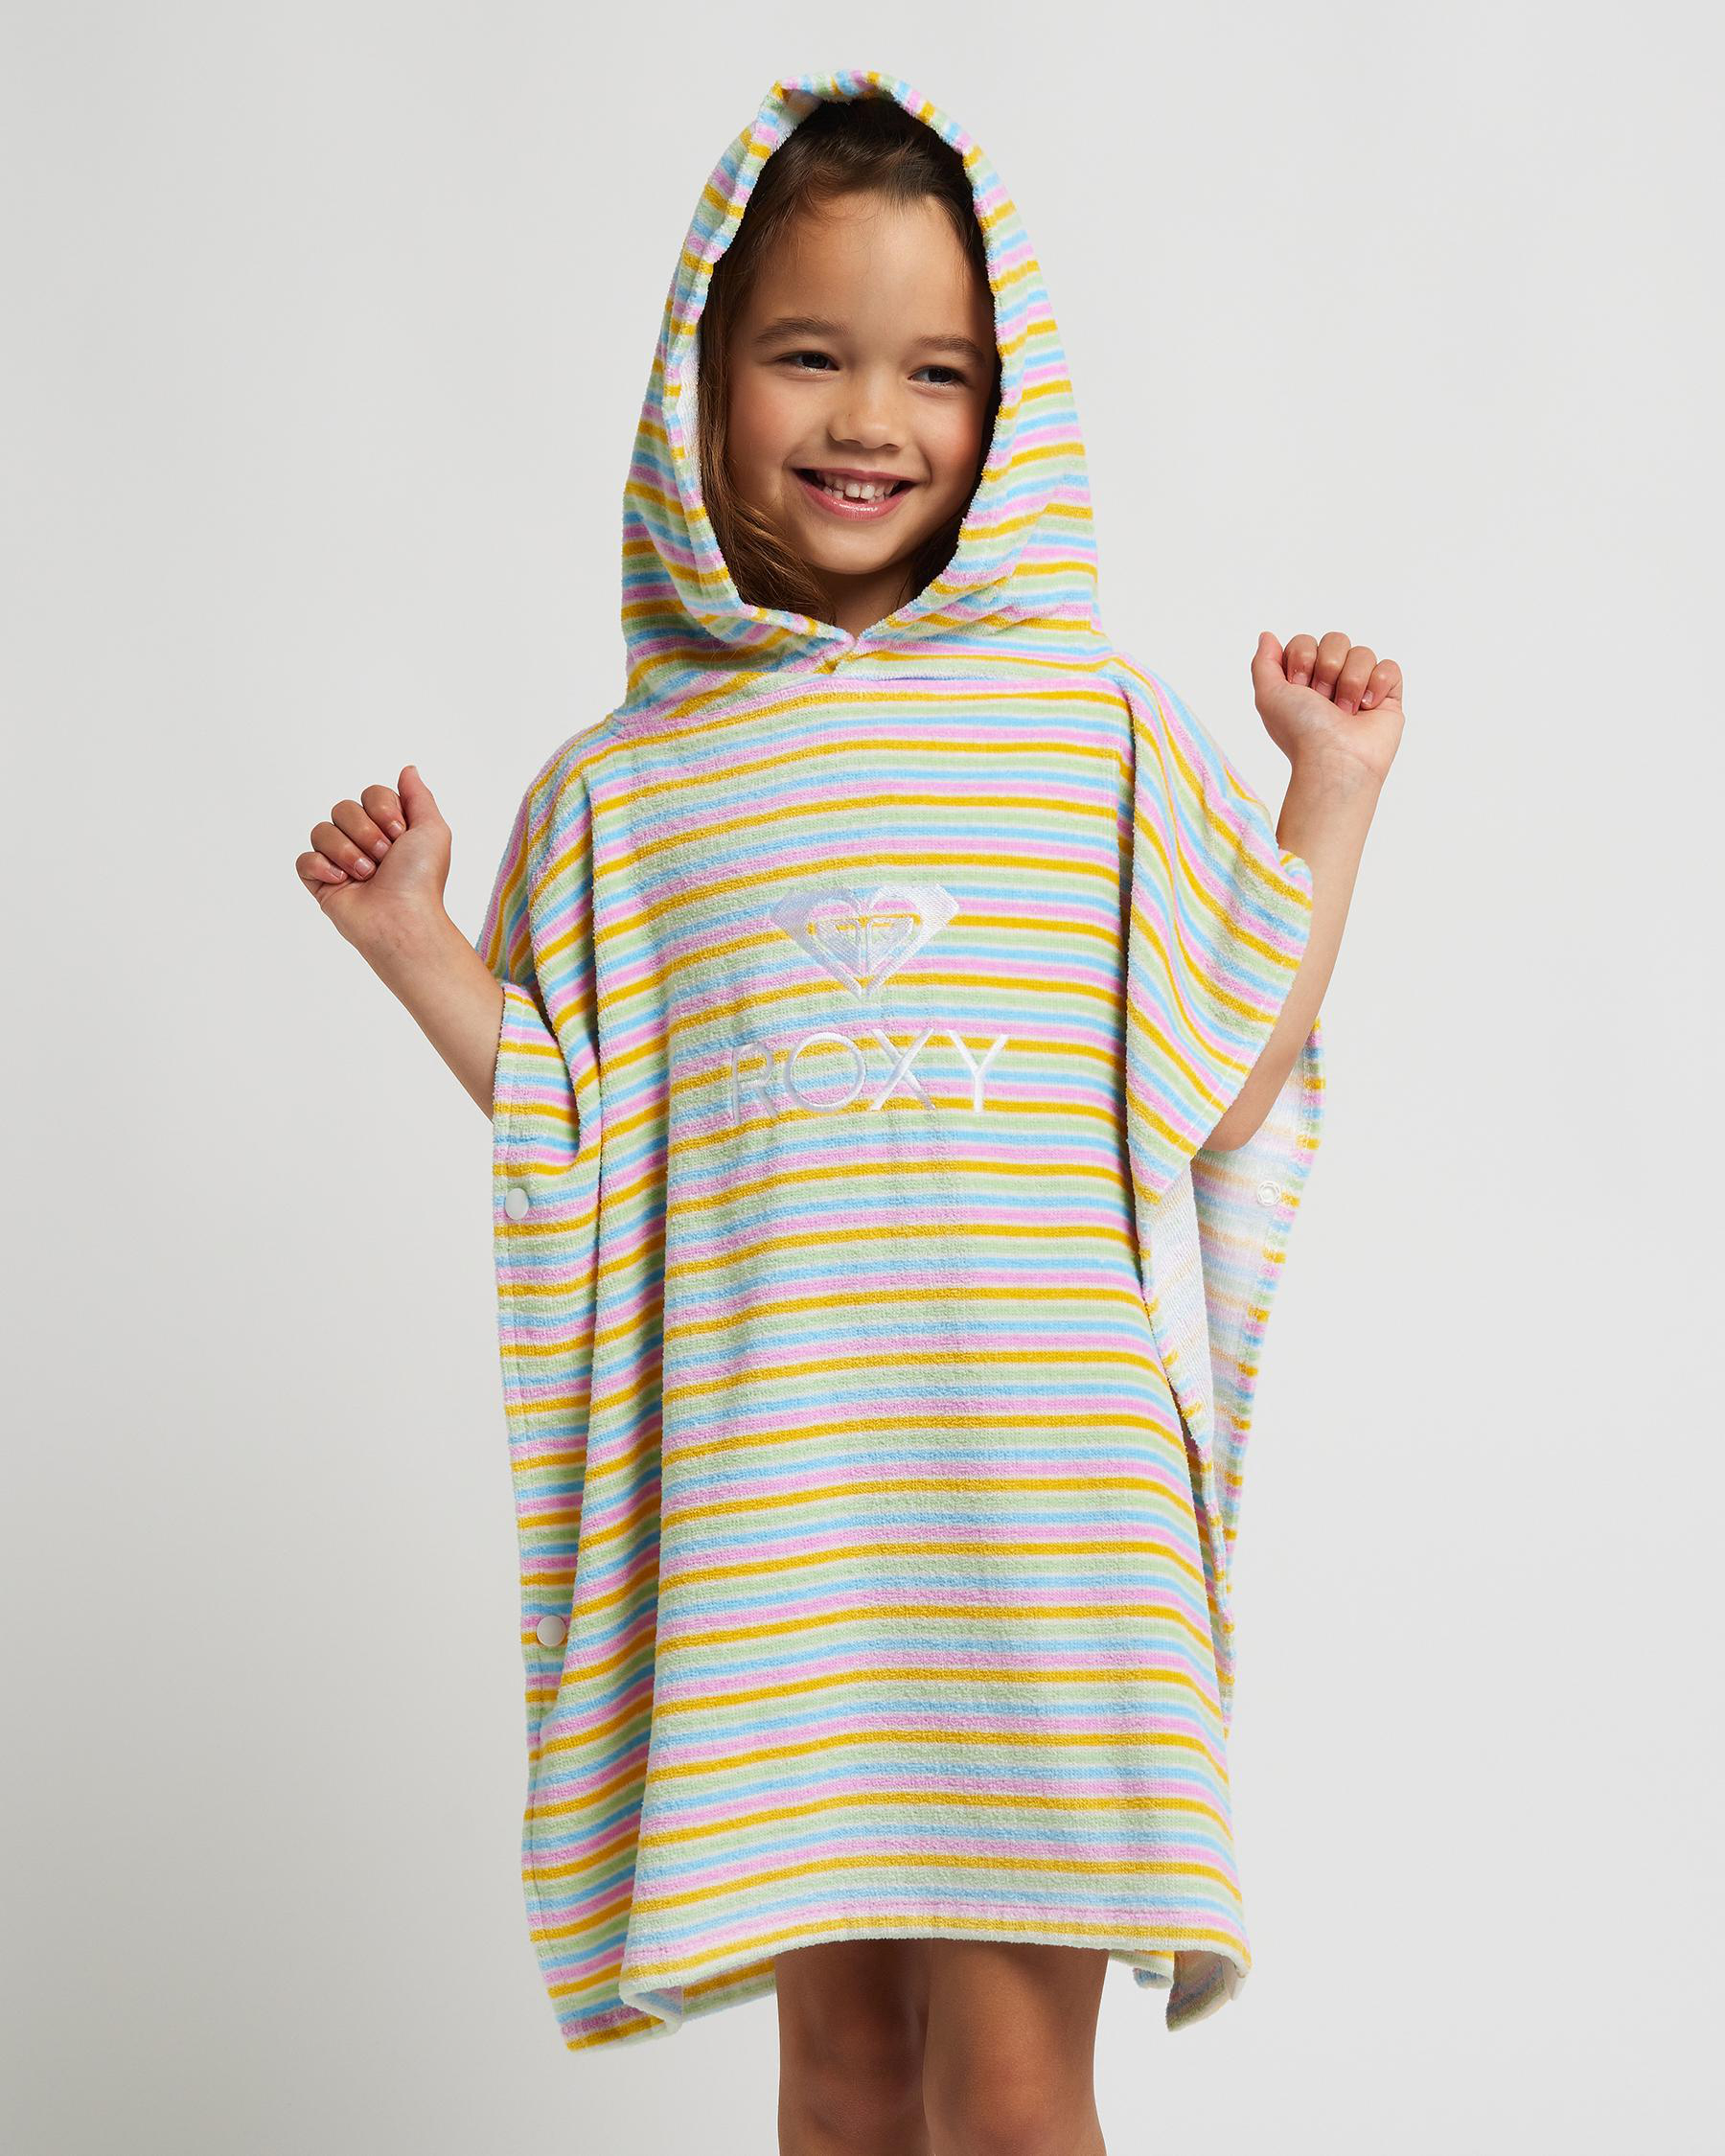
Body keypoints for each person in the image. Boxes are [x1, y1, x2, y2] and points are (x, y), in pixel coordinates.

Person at [296, 66, 1400, 2156]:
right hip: (787, 1526)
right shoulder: (625, 792)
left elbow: (1228, 1071)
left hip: (1041, 1516)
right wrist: (418, 942)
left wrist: (1327, 797)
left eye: (935, 371)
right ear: (703, 385)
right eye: (809, 355)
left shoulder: (1087, 731)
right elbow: (585, 1134)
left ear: (1007, 405)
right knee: (838, 2088)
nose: (871, 418)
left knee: (1012, 2092)